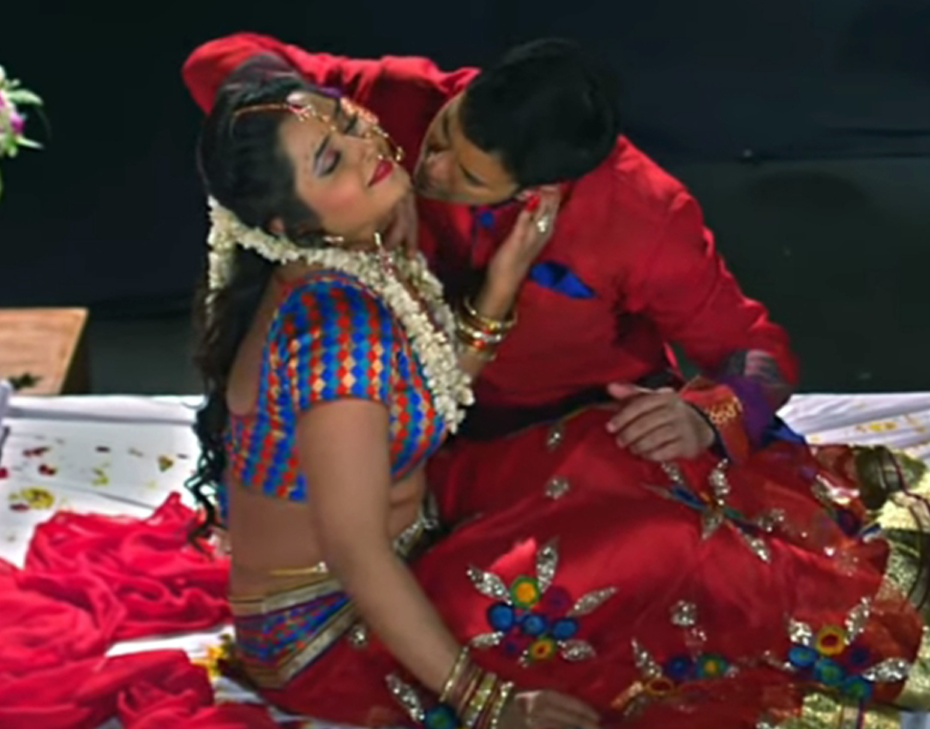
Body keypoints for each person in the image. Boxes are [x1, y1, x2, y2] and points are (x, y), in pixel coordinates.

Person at [186, 60, 930, 729]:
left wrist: (507, 283)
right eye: (336, 157)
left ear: (536, 187)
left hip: (423, 504)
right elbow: (355, 554)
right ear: (286, 225)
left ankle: (888, 583)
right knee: (657, 548)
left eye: (351, 128)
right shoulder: (339, 328)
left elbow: (747, 351)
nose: (403, 160)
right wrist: (484, 698)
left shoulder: (611, 217)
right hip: (338, 628)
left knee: (620, 447)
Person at [183, 36, 793, 455]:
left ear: (539, 190)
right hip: (409, 428)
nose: (430, 169)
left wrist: (704, 415)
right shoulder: (404, 101)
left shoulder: (644, 216)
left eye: (469, 178)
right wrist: (334, 139)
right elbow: (214, 62)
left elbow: (756, 351)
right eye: (444, 132)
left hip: (572, 435)